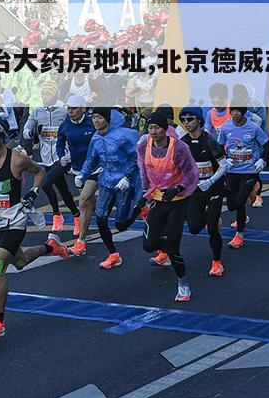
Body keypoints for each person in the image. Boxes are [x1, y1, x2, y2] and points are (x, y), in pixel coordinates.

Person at [0, 117, 68, 339]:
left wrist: (33, 192)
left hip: (15, 220)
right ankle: (51, 247)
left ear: (2, 137)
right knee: (19, 262)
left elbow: (40, 171)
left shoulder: (17, 160)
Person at [136, 109, 199, 301]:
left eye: (157, 128)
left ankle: (183, 283)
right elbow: (143, 170)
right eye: (150, 127)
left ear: (165, 129)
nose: (153, 131)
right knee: (149, 245)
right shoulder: (143, 146)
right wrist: (143, 193)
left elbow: (192, 173)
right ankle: (169, 246)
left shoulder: (179, 148)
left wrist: (178, 188)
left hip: (177, 202)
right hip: (156, 198)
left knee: (173, 248)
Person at [75, 107, 140, 269]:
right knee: (101, 218)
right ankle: (113, 254)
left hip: (124, 183)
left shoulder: (122, 136)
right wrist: (82, 175)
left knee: (121, 224)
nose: (96, 121)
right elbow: (91, 160)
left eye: (100, 117)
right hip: (106, 182)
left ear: (108, 119)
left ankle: (140, 207)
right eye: (94, 117)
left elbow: (136, 156)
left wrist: (127, 177)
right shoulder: (96, 138)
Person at [178, 105, 230, 276]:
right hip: (195, 189)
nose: (187, 123)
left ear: (199, 120)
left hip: (213, 187)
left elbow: (223, 165)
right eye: (183, 120)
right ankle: (208, 216)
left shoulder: (209, 141)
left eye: (190, 119)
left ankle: (217, 262)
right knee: (193, 228)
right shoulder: (183, 143)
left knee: (213, 227)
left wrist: (210, 181)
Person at [23, 82, 80, 232]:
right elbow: (26, 131)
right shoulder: (37, 112)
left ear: (54, 94)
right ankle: (76, 215)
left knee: (46, 184)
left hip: (62, 155)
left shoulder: (64, 110)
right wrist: (34, 131)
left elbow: (74, 125)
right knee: (62, 188)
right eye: (43, 94)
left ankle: (57, 214)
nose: (44, 97)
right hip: (46, 155)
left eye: (47, 94)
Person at [217, 105, 269, 249]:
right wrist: (224, 160)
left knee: (240, 203)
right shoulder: (226, 127)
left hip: (249, 170)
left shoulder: (253, 127)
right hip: (233, 170)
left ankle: (239, 236)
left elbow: (267, 145)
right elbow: (220, 146)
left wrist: (262, 160)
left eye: (238, 111)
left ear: (243, 112)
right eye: (232, 111)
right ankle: (250, 195)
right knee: (232, 205)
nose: (235, 114)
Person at [58, 96, 98, 256]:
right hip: (77, 169)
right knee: (89, 204)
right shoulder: (65, 125)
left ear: (82, 108)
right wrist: (62, 156)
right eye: (68, 108)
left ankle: (81, 241)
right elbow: (60, 142)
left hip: (95, 168)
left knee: (83, 202)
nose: (70, 111)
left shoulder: (92, 123)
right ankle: (98, 214)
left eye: (74, 108)